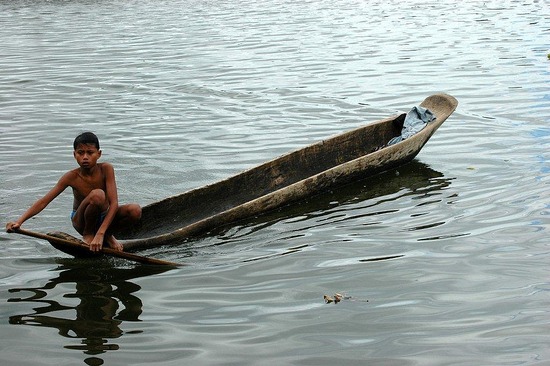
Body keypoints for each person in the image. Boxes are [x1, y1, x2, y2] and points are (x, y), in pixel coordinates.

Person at [5, 132, 141, 252]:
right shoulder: (71, 177)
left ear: (99, 154)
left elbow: (114, 203)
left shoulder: (106, 169)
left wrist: (101, 233)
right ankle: (88, 234)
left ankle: (107, 235)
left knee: (135, 210)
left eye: (90, 152)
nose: (85, 157)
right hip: (81, 220)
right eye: (80, 153)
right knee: (97, 195)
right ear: (74, 154)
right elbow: (44, 202)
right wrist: (20, 221)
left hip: (103, 218)